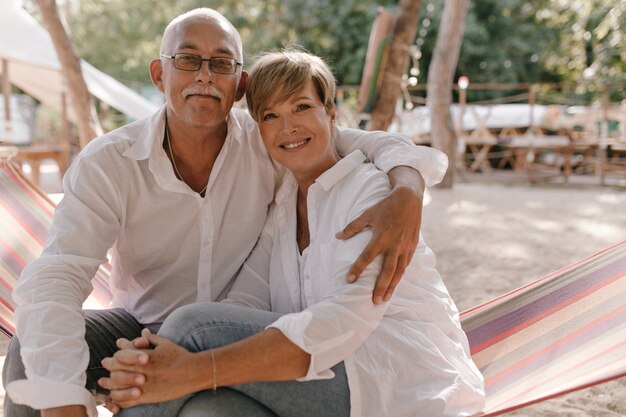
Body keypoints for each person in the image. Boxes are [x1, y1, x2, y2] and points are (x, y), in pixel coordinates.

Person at [3, 8, 448, 417]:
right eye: (188, 59)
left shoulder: (269, 141)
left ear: (240, 85)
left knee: (205, 380)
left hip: (234, 337)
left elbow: (338, 141)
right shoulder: (110, 163)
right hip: (142, 324)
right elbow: (58, 274)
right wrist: (64, 402)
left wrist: (407, 184)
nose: (204, 76)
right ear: (159, 74)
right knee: (31, 353)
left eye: (221, 64)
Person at [100, 50, 485, 417]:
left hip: (395, 381)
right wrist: (159, 365)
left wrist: (193, 369)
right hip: (324, 377)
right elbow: (246, 299)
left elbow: (341, 322)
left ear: (331, 113)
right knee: (211, 410)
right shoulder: (284, 200)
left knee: (194, 326)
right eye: (270, 116)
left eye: (301, 107)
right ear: (258, 130)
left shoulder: (371, 192)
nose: (288, 127)